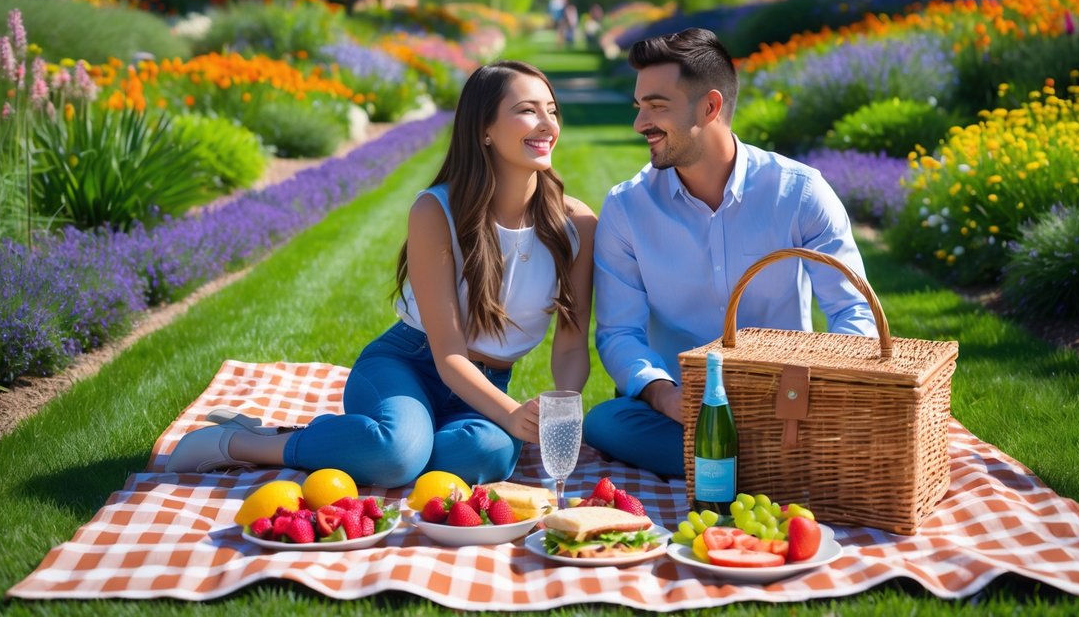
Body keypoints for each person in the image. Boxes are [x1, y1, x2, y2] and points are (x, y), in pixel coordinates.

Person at [166, 61, 596, 487]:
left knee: (486, 454)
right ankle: (246, 443)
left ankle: (366, 445)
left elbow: (573, 344)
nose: (547, 124)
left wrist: (564, 407)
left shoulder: (575, 225)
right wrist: (509, 413)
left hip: (487, 385)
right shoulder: (437, 211)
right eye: (527, 110)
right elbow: (447, 355)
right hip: (408, 364)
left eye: (552, 110)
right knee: (397, 452)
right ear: (484, 128)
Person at [583, 28, 876, 478]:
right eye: (639, 106)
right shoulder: (627, 208)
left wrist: (813, 389)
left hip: (788, 404)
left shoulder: (799, 192)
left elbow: (854, 311)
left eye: (657, 106)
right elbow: (619, 332)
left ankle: (727, 463)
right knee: (607, 422)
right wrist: (663, 395)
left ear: (711, 107)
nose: (640, 123)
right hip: (681, 410)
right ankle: (776, 465)